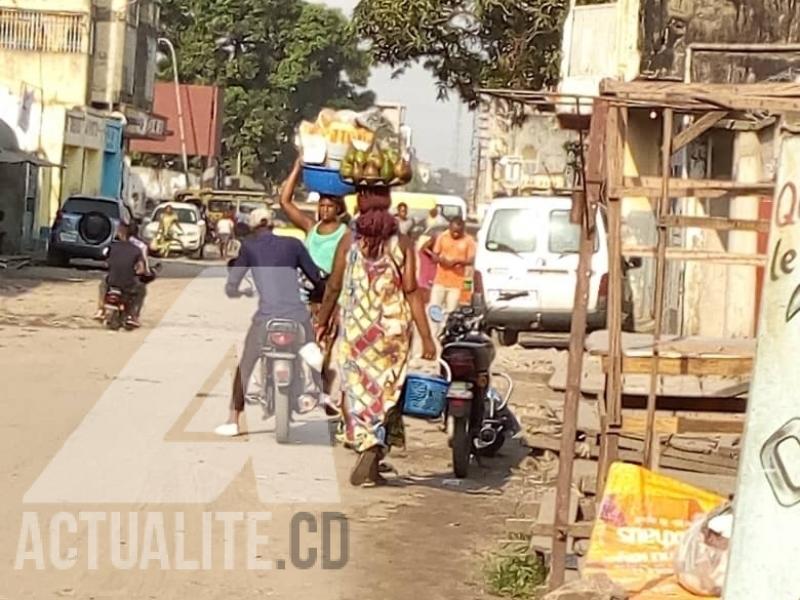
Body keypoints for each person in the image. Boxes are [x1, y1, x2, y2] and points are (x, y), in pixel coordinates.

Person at [317, 187, 437, 486]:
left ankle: (368, 445)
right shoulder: (404, 243)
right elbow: (411, 290)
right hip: (393, 333)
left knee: (358, 390)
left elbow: (333, 285)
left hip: (358, 330)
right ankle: (375, 450)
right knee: (388, 392)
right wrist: (427, 337)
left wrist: (322, 320)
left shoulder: (350, 241)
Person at [215, 208, 324, 437]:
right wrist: (318, 296)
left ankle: (234, 418)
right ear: (273, 224)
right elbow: (315, 276)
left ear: (254, 227)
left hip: (267, 318)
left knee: (246, 363)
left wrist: (235, 290)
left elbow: (233, 282)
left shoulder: (249, 247)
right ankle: (323, 395)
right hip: (297, 316)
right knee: (315, 352)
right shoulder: (294, 245)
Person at [279, 158, 349, 414]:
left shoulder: (345, 234)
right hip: (304, 293)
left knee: (328, 343)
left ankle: (325, 391)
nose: (324, 210)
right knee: (300, 340)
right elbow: (285, 202)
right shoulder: (311, 227)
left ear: (339, 209)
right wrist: (297, 167)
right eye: (321, 205)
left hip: (331, 294)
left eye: (329, 206)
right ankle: (301, 386)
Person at [96, 223, 147, 328]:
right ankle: (132, 316)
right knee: (141, 289)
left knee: (102, 284)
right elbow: (141, 270)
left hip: (112, 281)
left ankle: (101, 310)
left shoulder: (112, 247)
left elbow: (106, 262)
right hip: (128, 284)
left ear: (119, 233)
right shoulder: (137, 250)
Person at [428, 217, 476, 322]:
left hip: (457, 283)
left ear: (463, 230)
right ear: (449, 227)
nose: (455, 234)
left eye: (458, 232)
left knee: (451, 313)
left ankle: (446, 335)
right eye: (453, 232)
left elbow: (471, 260)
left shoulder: (469, 241)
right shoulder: (442, 237)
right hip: (440, 281)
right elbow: (434, 256)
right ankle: (434, 335)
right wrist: (441, 260)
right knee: (435, 311)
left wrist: (457, 261)